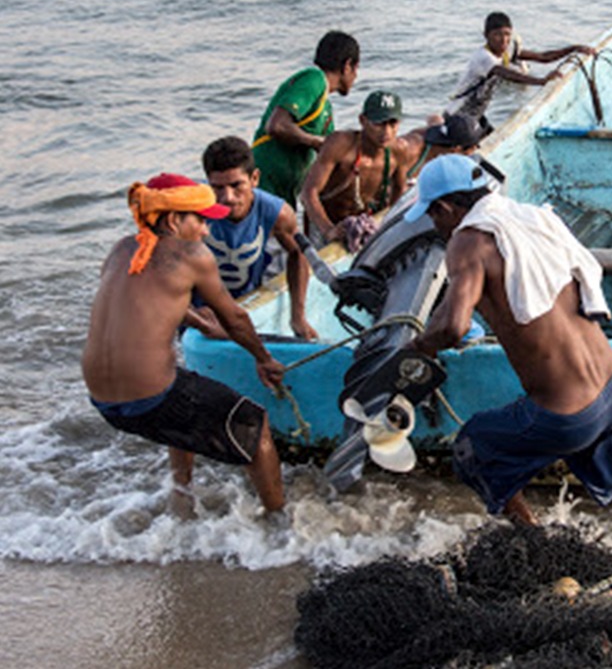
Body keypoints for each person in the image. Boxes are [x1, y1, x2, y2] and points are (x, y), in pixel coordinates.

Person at [405, 154, 612, 525]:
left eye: (434, 215)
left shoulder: (468, 242)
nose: (436, 225)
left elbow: (452, 326)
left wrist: (417, 346)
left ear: (447, 207)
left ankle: (532, 542)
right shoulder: (530, 217)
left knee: (475, 447)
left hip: (568, 415)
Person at [82, 174, 289, 514]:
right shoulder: (191, 254)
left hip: (104, 401)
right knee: (254, 422)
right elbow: (236, 319)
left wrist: (192, 318)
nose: (206, 230)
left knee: (184, 394)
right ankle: (279, 524)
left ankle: (182, 496)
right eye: (202, 220)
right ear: (174, 219)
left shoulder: (121, 248)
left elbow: (140, 302)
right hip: (150, 397)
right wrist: (264, 359)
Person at [185, 136, 316, 341]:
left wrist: (297, 316)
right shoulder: (192, 212)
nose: (227, 197)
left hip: (245, 302)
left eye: (237, 185)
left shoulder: (277, 213)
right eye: (217, 188)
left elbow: (297, 255)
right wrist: (193, 313)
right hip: (199, 309)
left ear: (254, 178)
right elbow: (165, 272)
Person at [251, 30, 361, 208]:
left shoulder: (326, 108)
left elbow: (330, 153)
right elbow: (277, 125)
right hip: (265, 183)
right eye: (356, 69)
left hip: (284, 191)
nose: (356, 76)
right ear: (347, 66)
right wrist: (315, 141)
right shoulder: (314, 79)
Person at [300, 90, 412, 252]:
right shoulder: (340, 144)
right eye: (379, 124)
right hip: (325, 221)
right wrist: (328, 230)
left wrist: (387, 225)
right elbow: (308, 192)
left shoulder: (399, 151)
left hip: (363, 222)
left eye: (392, 124)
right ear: (363, 121)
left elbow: (400, 190)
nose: (386, 132)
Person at [448, 11, 595, 118]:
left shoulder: (506, 51)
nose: (503, 39)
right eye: (497, 34)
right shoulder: (483, 57)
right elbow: (509, 74)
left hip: (476, 114)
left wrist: (573, 48)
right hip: (459, 113)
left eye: (507, 34)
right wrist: (541, 81)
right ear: (486, 36)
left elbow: (543, 57)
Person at [402, 111, 493, 177]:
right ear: (457, 149)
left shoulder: (442, 130)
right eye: (474, 147)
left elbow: (434, 117)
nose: (476, 149)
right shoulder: (413, 153)